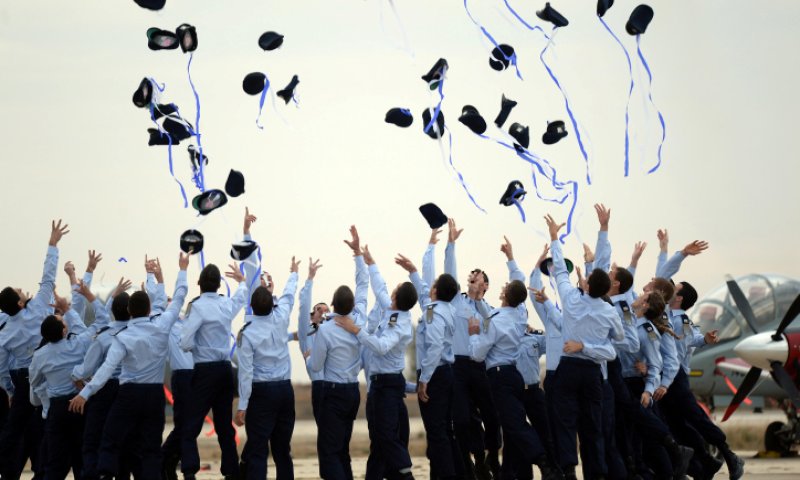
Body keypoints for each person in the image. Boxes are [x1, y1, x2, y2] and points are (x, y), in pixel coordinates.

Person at [68, 251, 191, 479]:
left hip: (129, 394)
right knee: (151, 446)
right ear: (148, 309)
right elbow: (178, 299)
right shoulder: (162, 325)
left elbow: (105, 369)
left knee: (110, 439)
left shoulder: (123, 336)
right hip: (154, 394)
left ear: (129, 312)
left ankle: (105, 474)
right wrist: (181, 270)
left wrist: (85, 393)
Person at [545, 214, 623, 480]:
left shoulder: (571, 299)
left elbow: (560, 270)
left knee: (566, 422)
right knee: (592, 425)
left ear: (588, 286)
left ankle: (569, 468)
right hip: (591, 371)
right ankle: (595, 473)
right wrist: (591, 346)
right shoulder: (609, 312)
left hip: (570, 367)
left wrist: (555, 238)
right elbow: (618, 340)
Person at [467, 278, 562, 480]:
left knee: (515, 424)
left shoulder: (496, 320)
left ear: (506, 295)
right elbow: (501, 307)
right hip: (513, 376)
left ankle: (543, 461)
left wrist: (474, 334)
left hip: (499, 376)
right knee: (512, 425)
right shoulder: (518, 317)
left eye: (505, 287)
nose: (502, 288)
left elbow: (477, 354)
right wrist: (477, 299)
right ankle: (512, 473)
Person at [337, 245, 417, 480]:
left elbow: (381, 346)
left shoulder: (401, 324)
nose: (390, 291)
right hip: (380, 386)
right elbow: (379, 287)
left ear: (396, 297)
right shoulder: (391, 309)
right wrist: (369, 261)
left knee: (385, 436)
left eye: (395, 290)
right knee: (379, 439)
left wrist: (357, 330)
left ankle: (405, 471)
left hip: (388, 384)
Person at [0, 219, 69, 480]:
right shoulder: (39, 307)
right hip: (41, 376)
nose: (22, 289)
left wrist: (9, 389)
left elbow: (1, 365)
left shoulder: (5, 332)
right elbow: (48, 276)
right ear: (20, 301)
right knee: (43, 426)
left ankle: (7, 470)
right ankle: (43, 472)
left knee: (12, 430)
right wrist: (52, 244)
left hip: (20, 379)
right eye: (19, 291)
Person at [399, 228, 463, 480]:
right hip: (446, 373)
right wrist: (417, 266)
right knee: (444, 430)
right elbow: (423, 288)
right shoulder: (446, 308)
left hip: (435, 374)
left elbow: (434, 346)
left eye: (433, 285)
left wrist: (424, 379)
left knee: (436, 432)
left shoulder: (434, 312)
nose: (430, 287)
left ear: (436, 291)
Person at [30, 281, 110, 480]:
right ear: (64, 331)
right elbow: (102, 322)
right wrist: (67, 309)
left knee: (55, 462)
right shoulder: (78, 343)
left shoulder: (40, 355)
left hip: (56, 409)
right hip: (78, 404)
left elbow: (34, 380)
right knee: (81, 457)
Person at [179, 257, 250, 480]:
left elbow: (185, 342)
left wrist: (198, 348)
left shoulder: (197, 307)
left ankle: (190, 470)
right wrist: (242, 280)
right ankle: (231, 472)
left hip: (204, 371)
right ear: (219, 285)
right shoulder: (225, 304)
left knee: (191, 424)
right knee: (224, 426)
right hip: (224, 371)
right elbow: (241, 296)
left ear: (199, 284)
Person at [308, 226, 368, 480]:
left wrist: (309, 357)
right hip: (353, 391)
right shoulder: (360, 319)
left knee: (330, 450)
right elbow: (363, 283)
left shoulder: (326, 330)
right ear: (353, 305)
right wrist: (357, 254)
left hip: (333, 392)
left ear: (332, 305)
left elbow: (316, 366)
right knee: (342, 447)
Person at [443, 218, 501, 479]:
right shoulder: (457, 301)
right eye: (472, 277)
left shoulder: (490, 310)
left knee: (491, 415)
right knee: (464, 420)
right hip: (458, 367)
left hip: (482, 368)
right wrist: (451, 243)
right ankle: (473, 462)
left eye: (479, 279)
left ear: (486, 285)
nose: (474, 280)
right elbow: (449, 272)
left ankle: (491, 456)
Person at [235, 257, 299, 480]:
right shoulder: (281, 317)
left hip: (261, 393)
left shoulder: (248, 331)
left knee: (258, 449)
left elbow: (246, 372)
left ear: (251, 307)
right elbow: (289, 296)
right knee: (283, 449)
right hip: (284, 390)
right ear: (272, 302)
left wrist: (243, 405)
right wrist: (293, 273)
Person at [296, 258, 329, 423]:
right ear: (311, 314)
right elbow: (303, 307)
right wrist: (310, 278)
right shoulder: (306, 333)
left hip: (336, 386)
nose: (323, 313)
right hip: (319, 385)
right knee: (324, 429)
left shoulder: (331, 332)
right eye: (319, 309)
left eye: (326, 311)